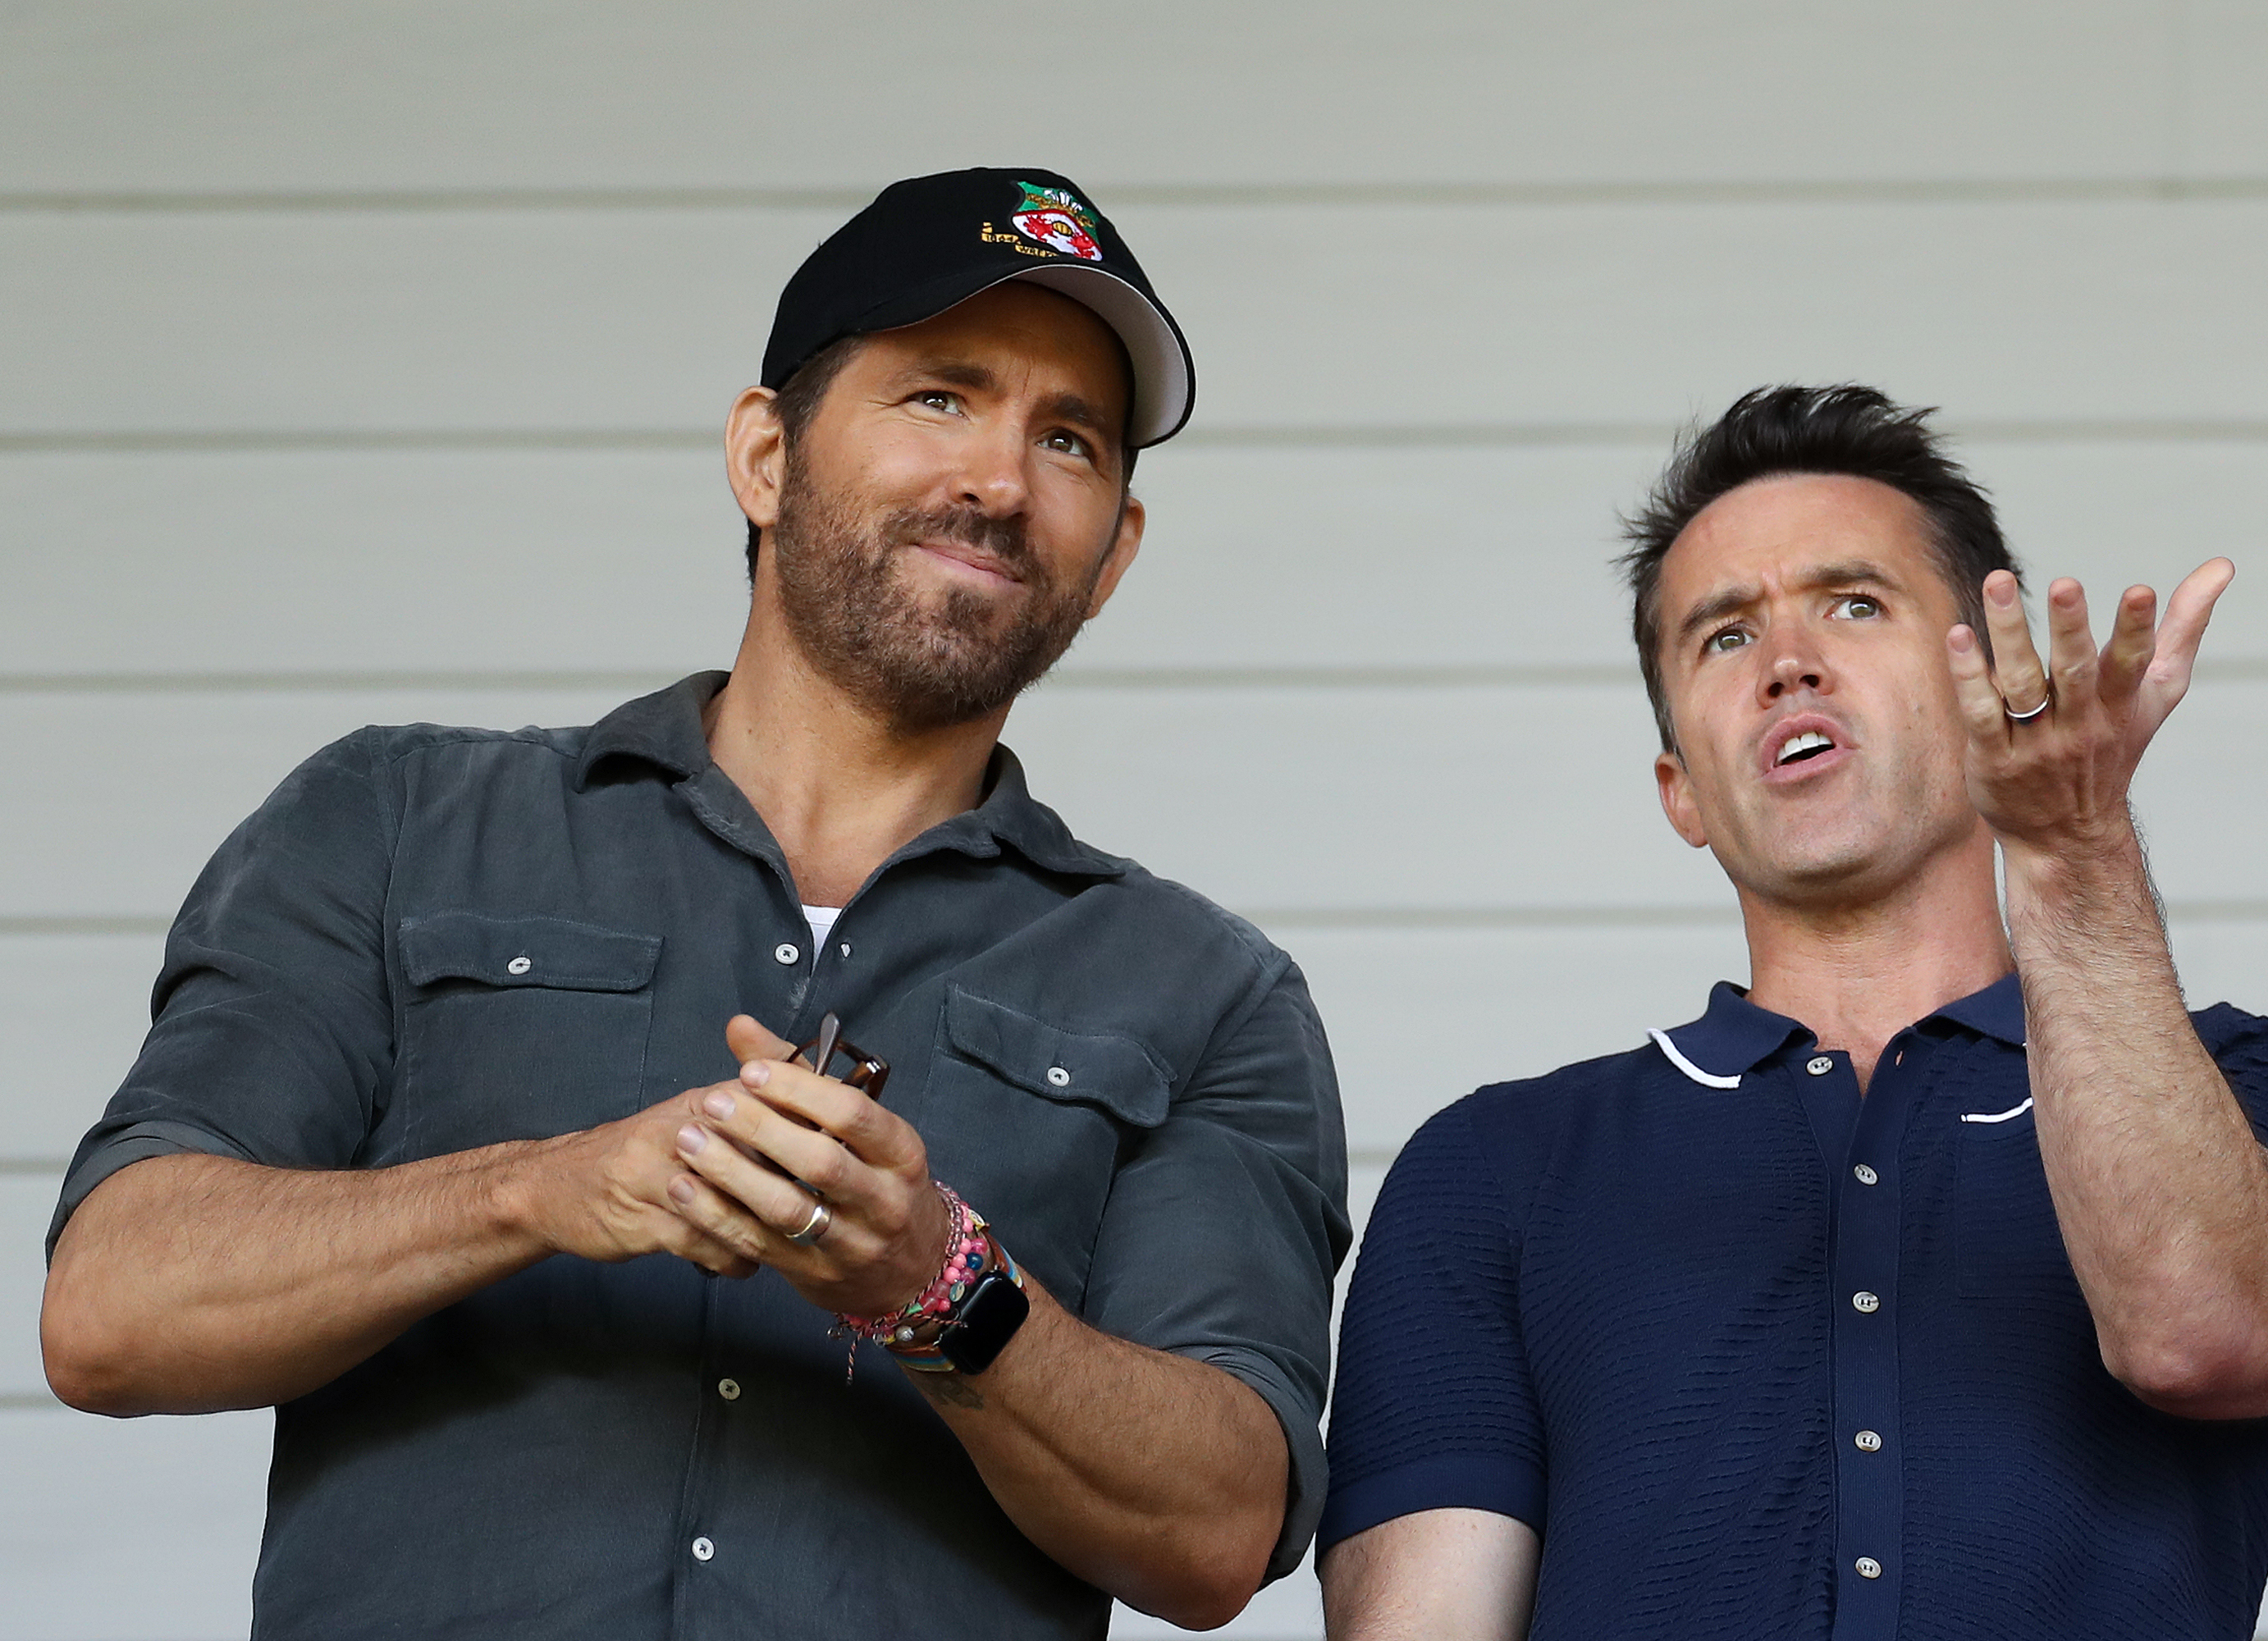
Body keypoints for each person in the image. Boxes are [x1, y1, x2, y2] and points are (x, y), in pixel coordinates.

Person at [40, 167, 1349, 1641]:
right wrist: (540, 1188)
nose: (998, 479)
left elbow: (1220, 1531)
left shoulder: (1208, 993)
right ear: (764, 456)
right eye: (939, 397)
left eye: (1069, 440)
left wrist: (941, 1282)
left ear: (1113, 554)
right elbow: (112, 1309)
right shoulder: (397, 824)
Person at [1316, 385, 2268, 1641]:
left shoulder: (2266, 1090)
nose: (1787, 663)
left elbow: (2206, 1335)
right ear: (1681, 790)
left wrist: (2073, 847)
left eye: (1854, 603)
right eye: (1724, 636)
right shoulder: (1492, 1170)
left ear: (1999, 683)